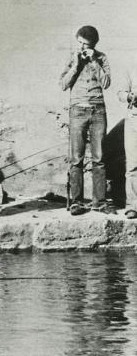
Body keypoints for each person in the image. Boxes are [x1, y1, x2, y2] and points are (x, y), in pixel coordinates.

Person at [59, 25, 111, 215]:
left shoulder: (101, 57)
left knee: (99, 158)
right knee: (76, 158)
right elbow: (63, 84)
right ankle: (77, 202)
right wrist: (76, 65)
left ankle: (99, 202)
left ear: (93, 45)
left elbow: (106, 83)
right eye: (79, 42)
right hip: (77, 110)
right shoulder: (72, 57)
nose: (81, 47)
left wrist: (94, 61)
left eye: (85, 44)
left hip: (98, 110)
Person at [117, 64, 137, 219]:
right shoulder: (131, 69)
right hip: (133, 120)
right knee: (132, 165)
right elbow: (120, 94)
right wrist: (130, 96)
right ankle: (133, 206)